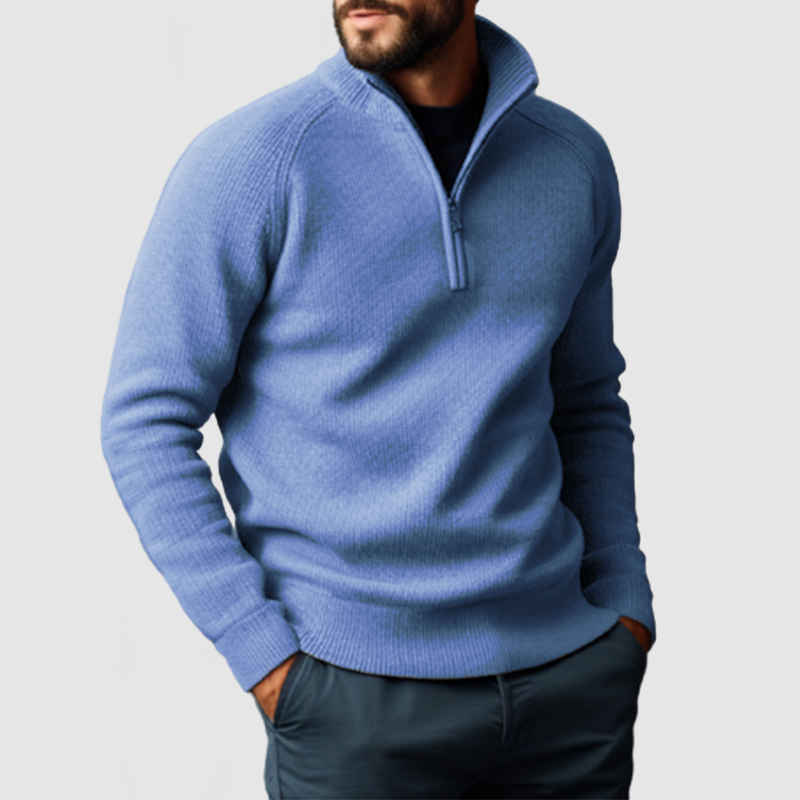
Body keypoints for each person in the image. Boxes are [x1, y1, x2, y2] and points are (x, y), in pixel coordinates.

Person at [101, 1, 656, 797]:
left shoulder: (571, 159)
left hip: (568, 693)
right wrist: (265, 655)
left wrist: (623, 601)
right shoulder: (256, 160)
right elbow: (145, 418)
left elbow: (586, 400)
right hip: (354, 703)